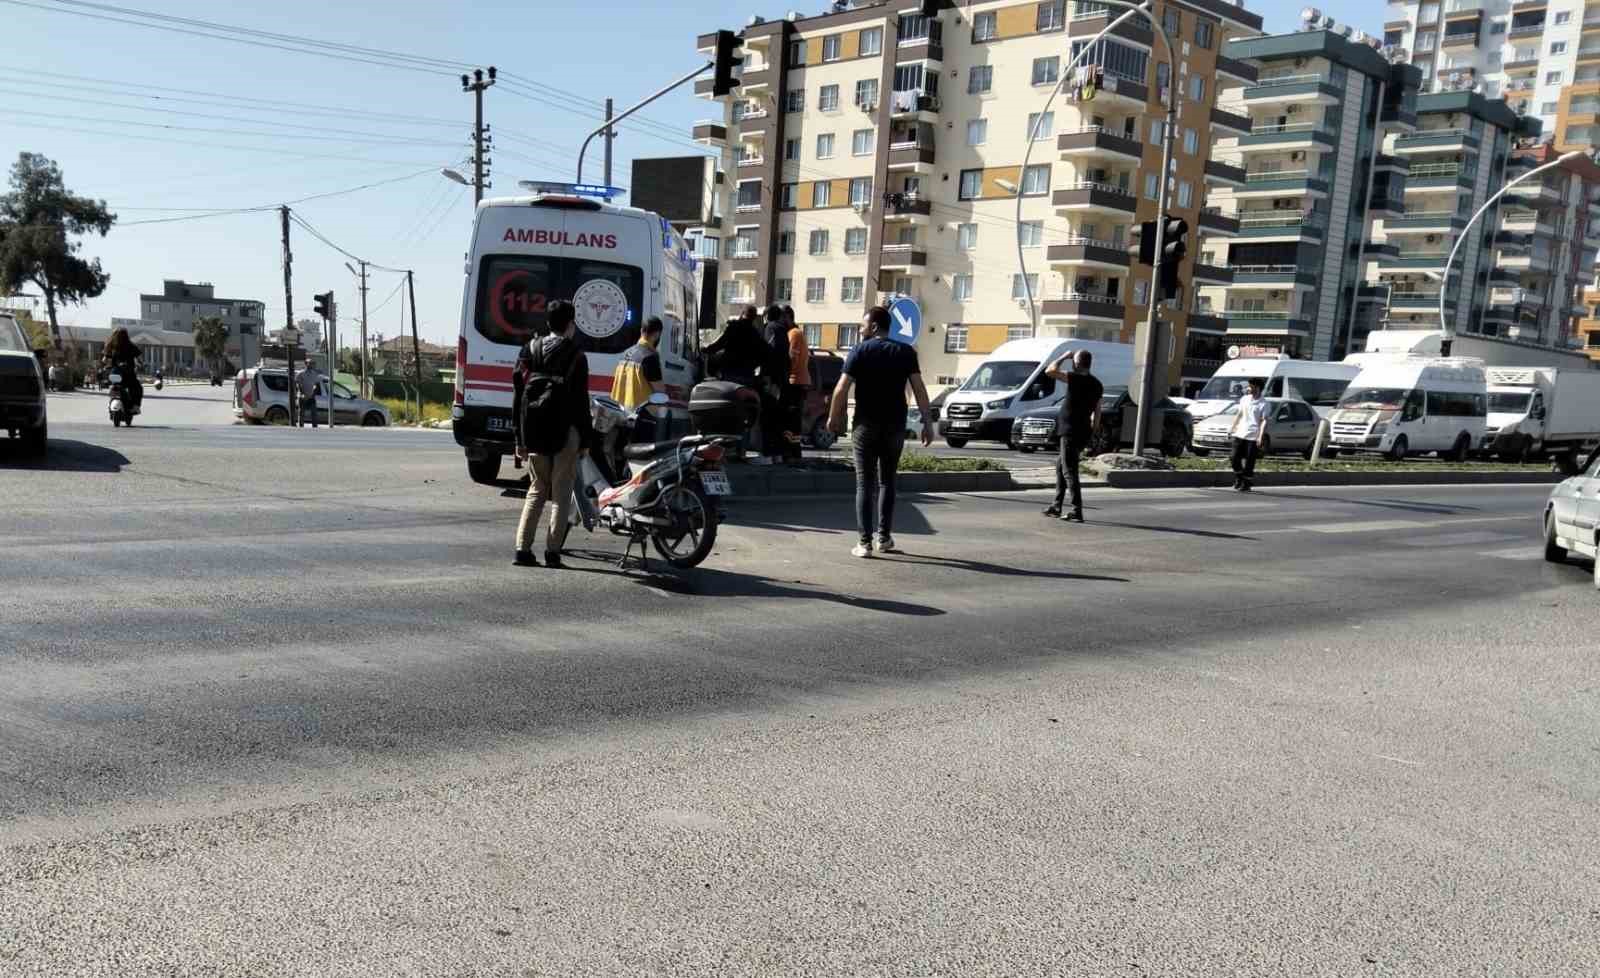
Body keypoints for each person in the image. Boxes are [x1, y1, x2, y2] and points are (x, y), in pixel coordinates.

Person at [827, 306, 933, 558]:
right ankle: (883, 538)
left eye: (863, 325)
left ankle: (864, 543)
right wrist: (927, 422)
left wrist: (834, 416)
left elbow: (841, 389)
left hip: (865, 424)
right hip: (895, 424)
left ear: (874, 326)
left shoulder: (860, 351)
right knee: (888, 481)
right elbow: (919, 388)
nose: (860, 329)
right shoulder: (906, 352)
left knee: (865, 482)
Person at [512, 300, 595, 569]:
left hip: (534, 430)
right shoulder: (577, 356)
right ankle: (552, 553)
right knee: (561, 493)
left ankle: (522, 551)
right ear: (571, 324)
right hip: (566, 432)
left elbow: (518, 396)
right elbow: (582, 403)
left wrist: (519, 438)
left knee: (536, 490)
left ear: (548, 323)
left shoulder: (529, 349)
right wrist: (585, 440)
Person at [1041, 349, 1103, 523]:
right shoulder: (1097, 384)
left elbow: (1049, 371)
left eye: (1073, 362)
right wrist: (1093, 431)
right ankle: (1056, 505)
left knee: (1069, 471)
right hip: (1083, 431)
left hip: (1070, 431)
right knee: (1061, 466)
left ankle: (1077, 510)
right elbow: (1098, 411)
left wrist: (1063, 357)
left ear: (1076, 363)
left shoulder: (1076, 378)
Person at [611, 315, 667, 443]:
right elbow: (660, 391)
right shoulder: (649, 356)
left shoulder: (626, 353)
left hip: (623, 413)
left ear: (642, 330)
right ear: (657, 334)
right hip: (642, 416)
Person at [758, 304, 792, 465]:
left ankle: (767, 455)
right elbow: (787, 358)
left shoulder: (770, 328)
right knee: (778, 419)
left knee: (767, 417)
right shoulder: (783, 330)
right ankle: (777, 454)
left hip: (772, 380)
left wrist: (766, 377)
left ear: (767, 316)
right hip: (782, 380)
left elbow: (769, 352)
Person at [1229, 376, 1269, 492]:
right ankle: (1239, 477)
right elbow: (1239, 414)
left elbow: (1264, 421)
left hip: (1253, 435)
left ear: (1257, 388)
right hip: (1240, 433)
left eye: (1250, 386)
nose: (1248, 388)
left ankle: (1246, 483)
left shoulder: (1264, 403)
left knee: (1249, 461)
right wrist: (1232, 427)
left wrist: (1260, 436)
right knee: (1233, 457)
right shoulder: (1244, 399)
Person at [785, 307, 810, 461]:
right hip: (799, 381)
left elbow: (791, 359)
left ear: (787, 317)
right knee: (793, 419)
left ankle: (793, 452)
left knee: (791, 419)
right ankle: (793, 452)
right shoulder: (798, 333)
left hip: (794, 381)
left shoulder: (793, 333)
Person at [100, 326, 143, 410]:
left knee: (113, 385)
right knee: (137, 388)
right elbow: (139, 359)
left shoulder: (111, 346)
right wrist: (140, 364)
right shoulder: (131, 346)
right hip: (128, 373)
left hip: (115, 374)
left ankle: (111, 402)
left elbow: (104, 360)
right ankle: (135, 406)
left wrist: (106, 365)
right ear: (126, 336)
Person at [297, 360, 322, 428]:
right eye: (310, 363)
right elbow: (298, 384)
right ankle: (301, 427)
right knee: (301, 413)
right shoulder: (301, 373)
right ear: (306, 364)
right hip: (302, 396)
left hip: (311, 397)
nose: (311, 365)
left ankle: (315, 428)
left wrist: (313, 393)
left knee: (314, 413)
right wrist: (303, 394)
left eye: (312, 363)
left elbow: (316, 385)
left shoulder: (314, 374)